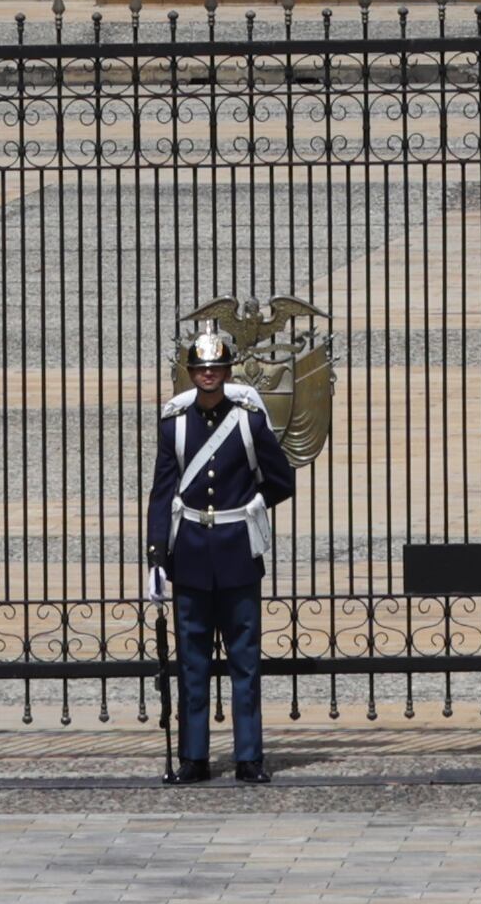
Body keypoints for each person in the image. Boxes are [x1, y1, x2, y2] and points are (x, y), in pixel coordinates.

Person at [145, 322, 298, 783]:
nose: (208, 375)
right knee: (191, 660)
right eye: (201, 368)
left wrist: (251, 507)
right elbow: (161, 492)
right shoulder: (174, 422)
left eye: (215, 367)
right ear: (191, 373)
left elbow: (281, 481)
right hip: (190, 552)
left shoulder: (249, 420)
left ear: (228, 371)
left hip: (236, 550)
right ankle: (194, 756)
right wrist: (156, 556)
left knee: (244, 660)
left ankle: (249, 756)